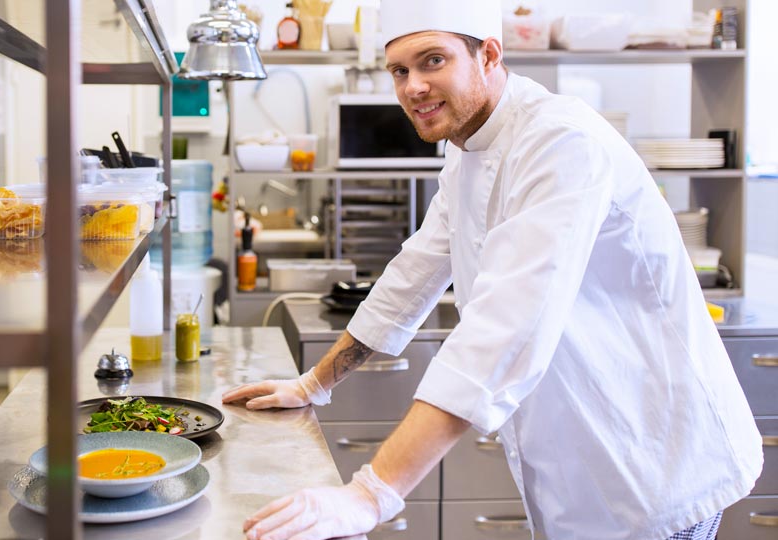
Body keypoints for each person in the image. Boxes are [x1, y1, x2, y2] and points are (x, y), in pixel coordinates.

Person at [222, 1, 764, 538]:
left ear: (489, 55)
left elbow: (505, 328)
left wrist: (370, 494)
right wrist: (316, 383)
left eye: (433, 60)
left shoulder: (560, 141)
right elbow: (415, 271)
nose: (413, 86)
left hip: (654, 463)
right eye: (400, 70)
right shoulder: (465, 147)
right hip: (579, 459)